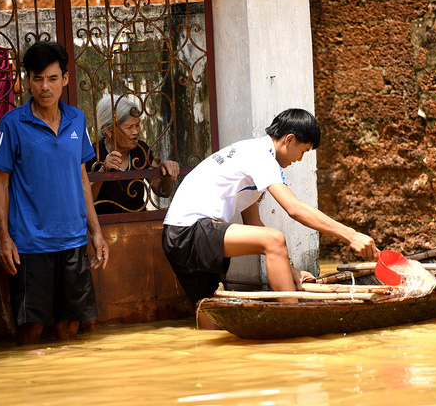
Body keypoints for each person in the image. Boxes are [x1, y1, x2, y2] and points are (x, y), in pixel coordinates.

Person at [162, 108, 378, 329]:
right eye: (302, 151)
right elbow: (294, 209)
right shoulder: (262, 157)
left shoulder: (251, 153)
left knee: (209, 315)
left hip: (176, 235)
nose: (300, 159)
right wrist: (351, 235)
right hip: (189, 231)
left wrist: (291, 269)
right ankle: (294, 325)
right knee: (275, 239)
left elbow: (254, 224)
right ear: (289, 139)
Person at [0, 41, 109, 345]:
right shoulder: (13, 123)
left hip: (72, 240)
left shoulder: (77, 119)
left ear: (65, 79)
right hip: (30, 245)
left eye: (53, 78)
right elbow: (0, 181)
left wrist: (96, 232)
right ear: (28, 80)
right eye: (38, 78)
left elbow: (82, 178)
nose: (45, 87)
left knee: (71, 327)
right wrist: (4, 238)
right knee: (31, 330)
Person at [85, 95, 180, 214]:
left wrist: (168, 173)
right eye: (129, 127)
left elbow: (162, 191)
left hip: (137, 223)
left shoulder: (141, 150)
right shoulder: (93, 154)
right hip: (106, 225)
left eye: (137, 125)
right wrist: (103, 171)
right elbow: (84, 203)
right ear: (108, 130)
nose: (136, 132)